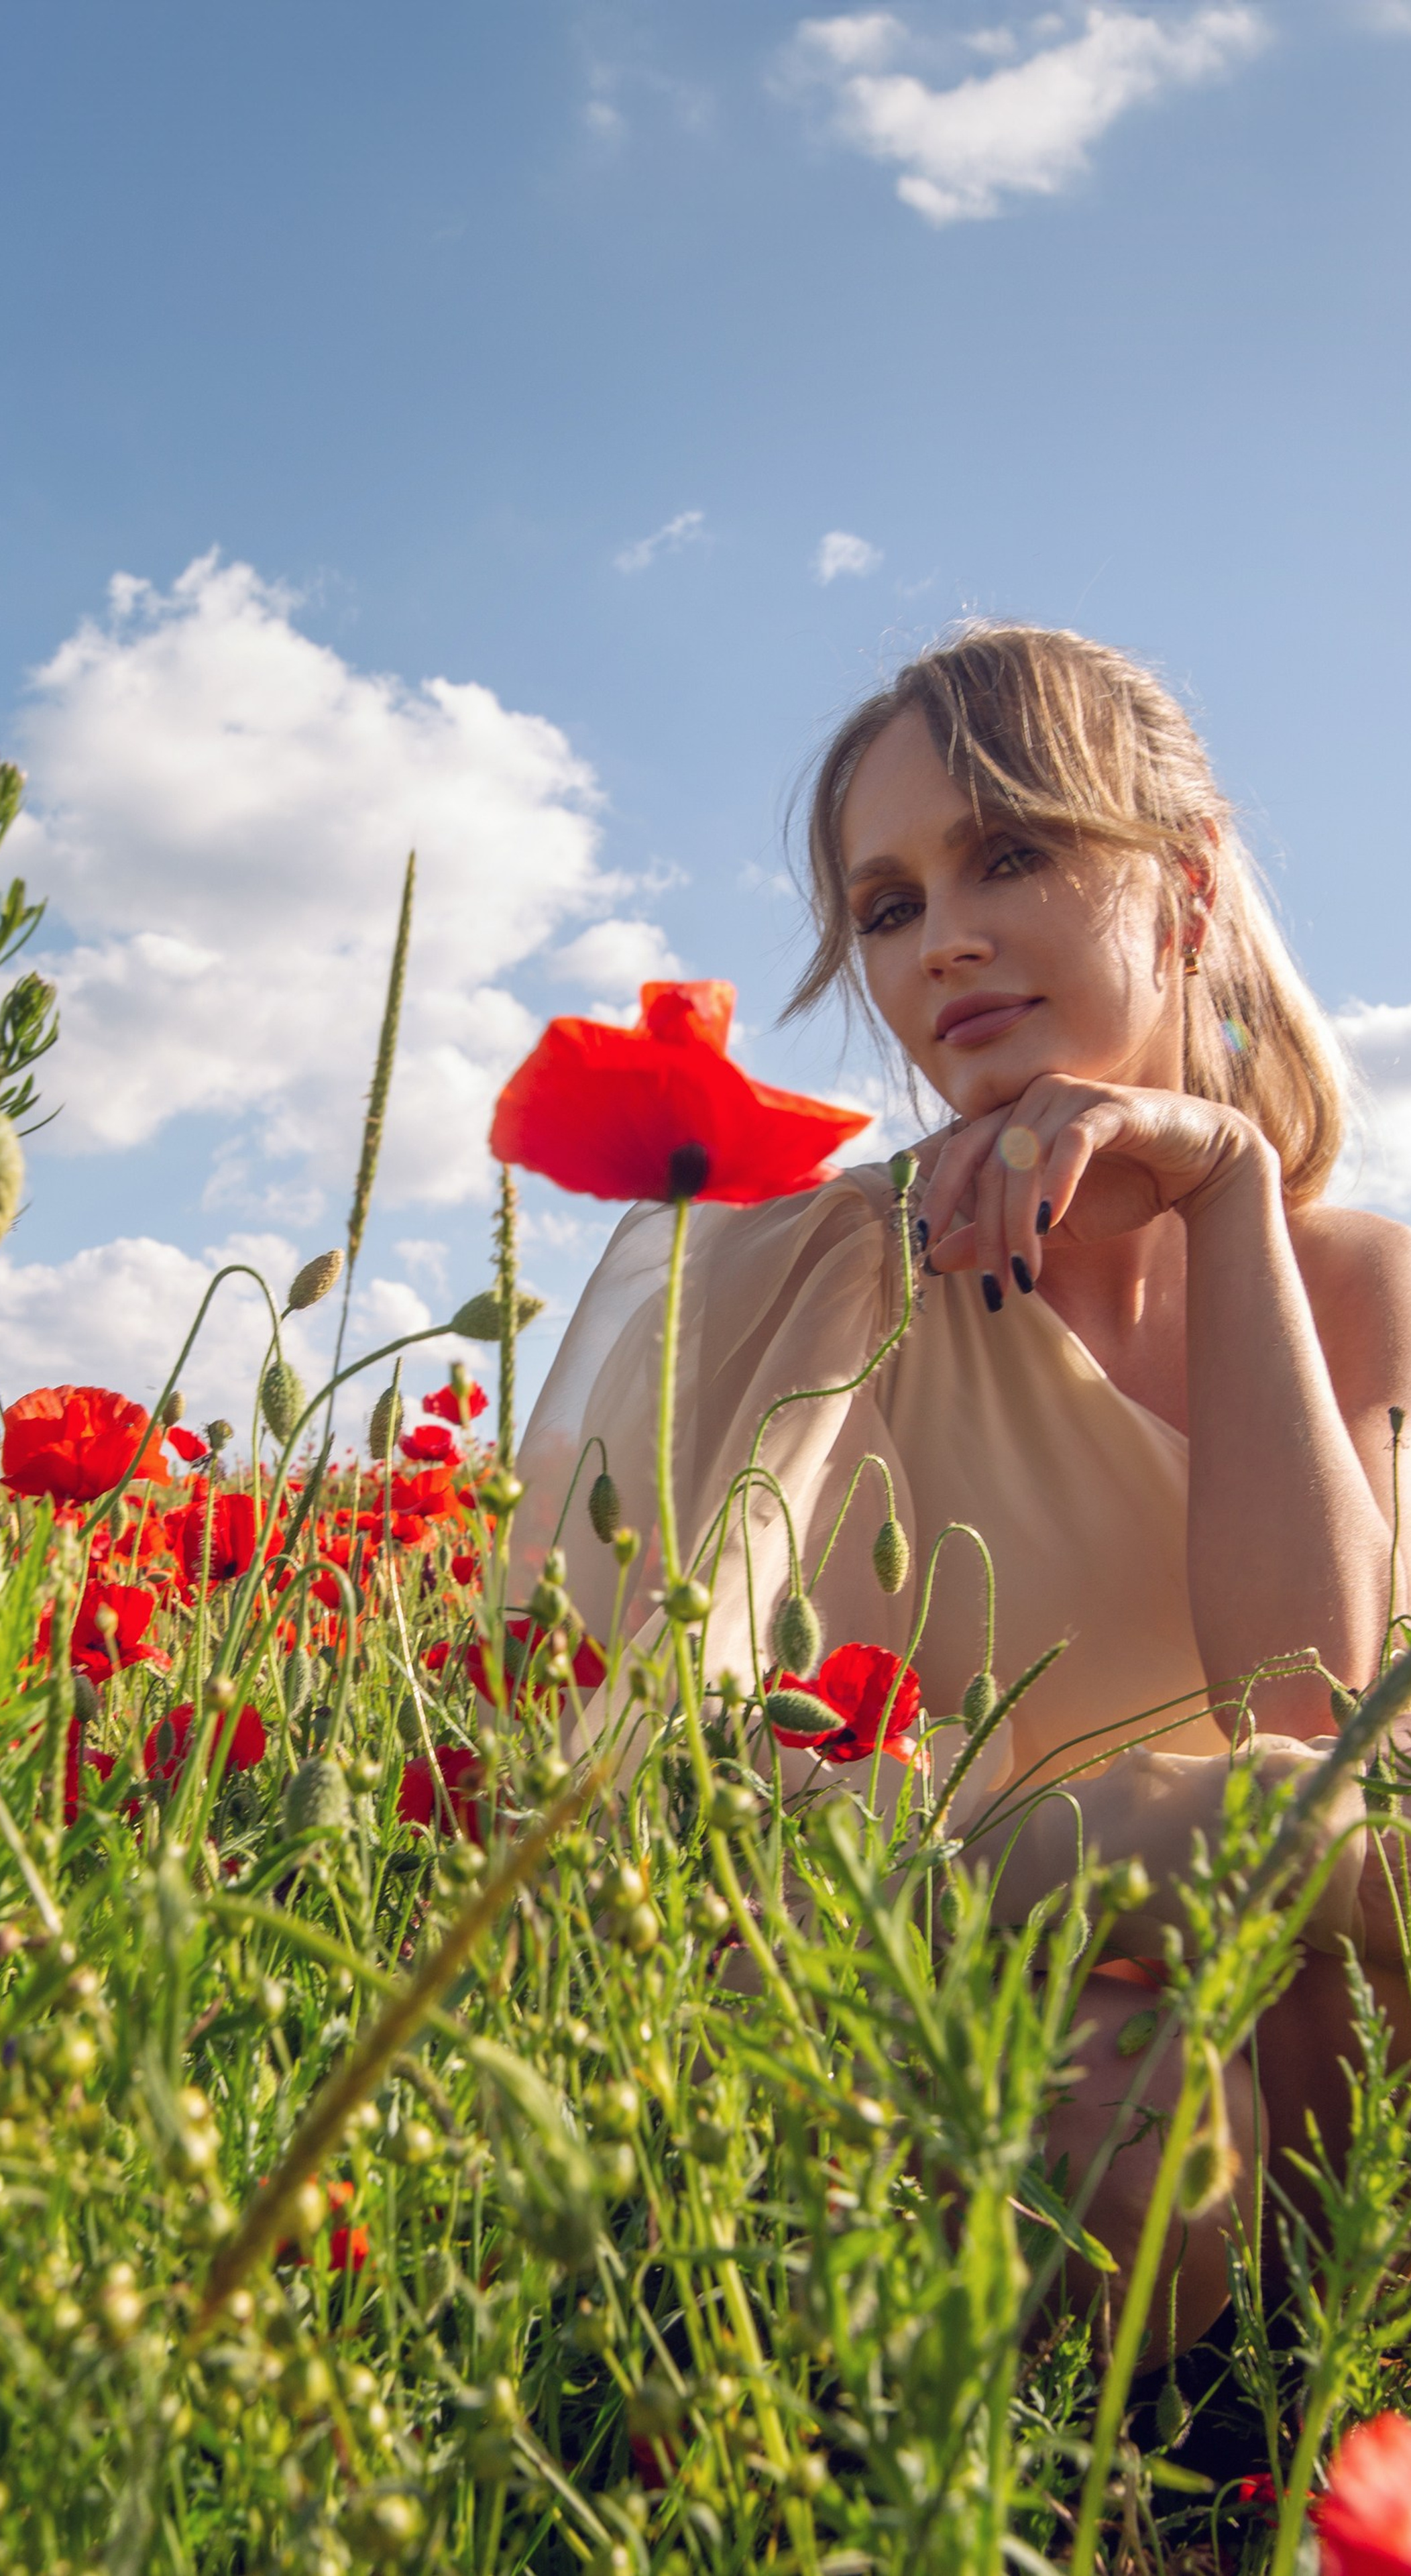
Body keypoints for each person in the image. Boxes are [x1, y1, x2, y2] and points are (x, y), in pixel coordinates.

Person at [516, 624, 1411, 2357]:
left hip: (1315, 2037)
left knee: (1316, 1848)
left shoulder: (1353, 1281)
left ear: (1187, 882)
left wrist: (1226, 1197)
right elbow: (690, 1822)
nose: (948, 942)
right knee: (1120, 2091)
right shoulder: (818, 1285)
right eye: (890, 905)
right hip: (968, 2041)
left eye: (1010, 852)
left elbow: (1308, 1713)